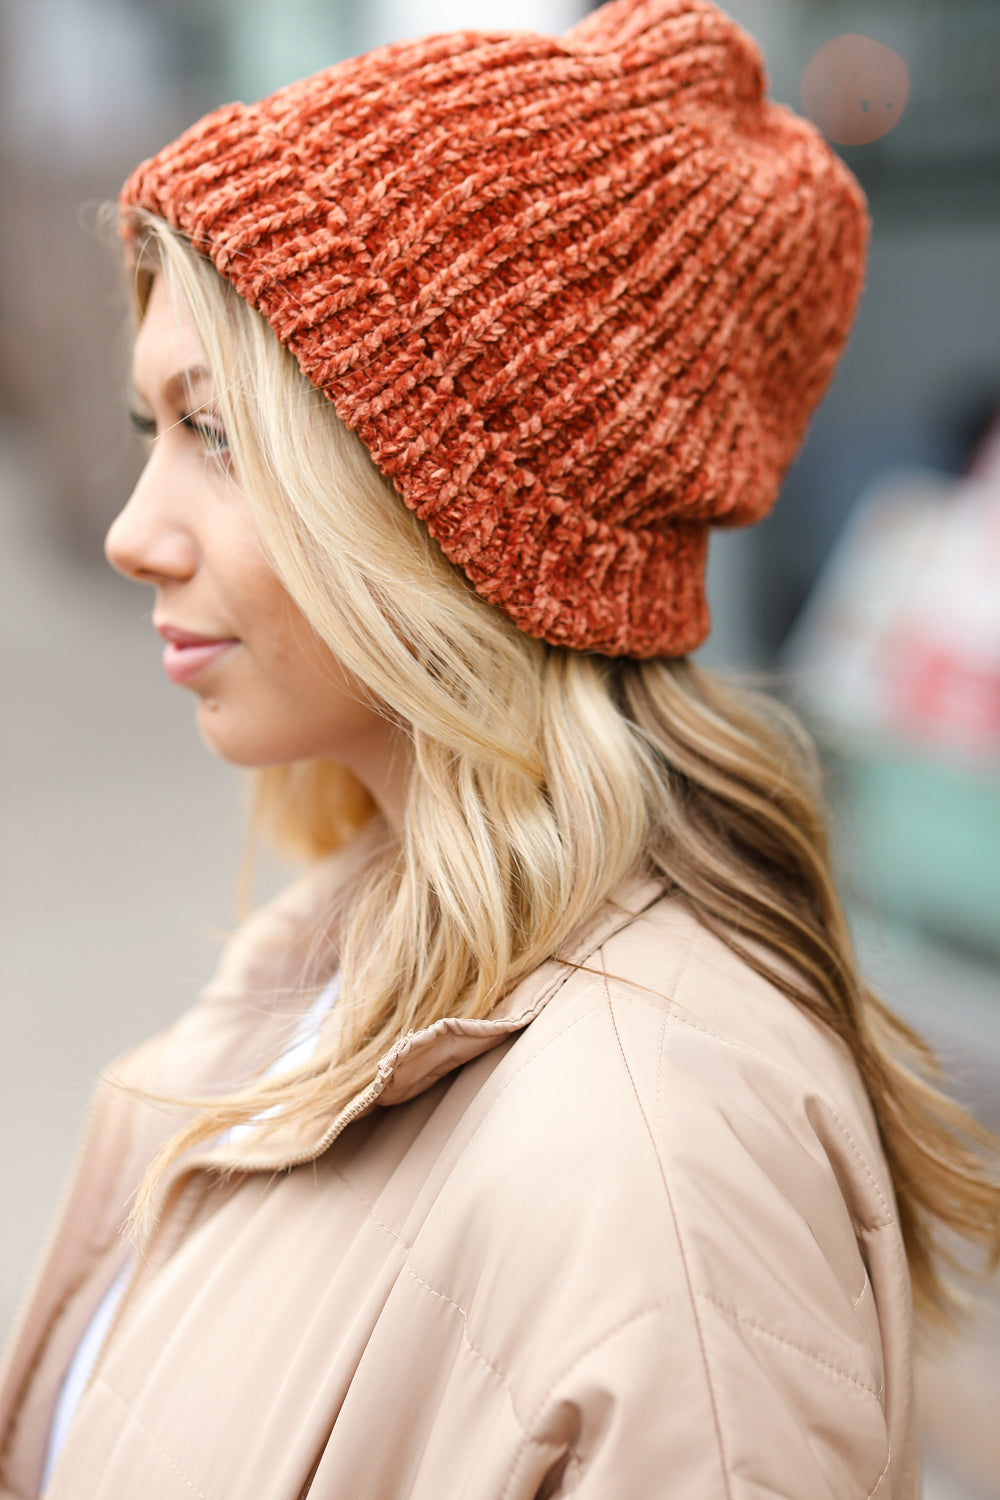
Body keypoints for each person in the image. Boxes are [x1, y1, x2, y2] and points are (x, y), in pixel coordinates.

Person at [1, 0, 997, 1494]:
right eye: (152, 430)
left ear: (456, 515)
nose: (135, 532)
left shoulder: (663, 1173)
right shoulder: (335, 951)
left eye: (220, 433)